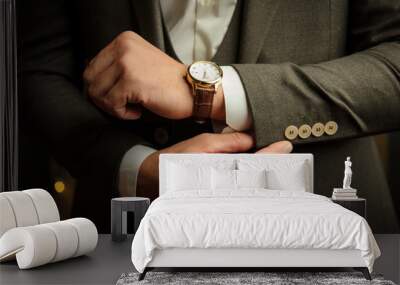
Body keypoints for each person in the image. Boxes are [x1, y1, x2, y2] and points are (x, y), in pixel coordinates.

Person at [18, 0, 400, 232]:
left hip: (332, 228)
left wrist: (208, 92)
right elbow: (36, 68)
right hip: (126, 234)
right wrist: (135, 169)